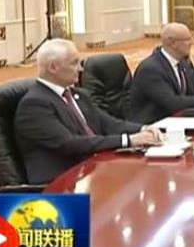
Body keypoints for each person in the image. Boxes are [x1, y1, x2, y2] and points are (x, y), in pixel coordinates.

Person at [14, 39, 162, 183]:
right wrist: (129, 140)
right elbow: (69, 144)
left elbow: (108, 123)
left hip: (93, 170)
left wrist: (143, 129)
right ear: (53, 67)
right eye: (74, 63)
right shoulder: (34, 105)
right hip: (62, 181)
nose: (81, 69)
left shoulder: (79, 95)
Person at [130, 23, 194, 124]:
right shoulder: (151, 69)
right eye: (187, 39)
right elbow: (173, 102)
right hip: (154, 125)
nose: (192, 43)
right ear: (172, 43)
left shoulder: (181, 62)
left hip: (178, 119)